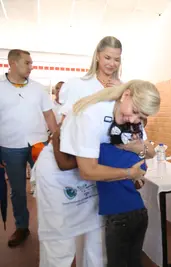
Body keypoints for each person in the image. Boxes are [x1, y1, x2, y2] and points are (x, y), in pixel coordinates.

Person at [34, 80, 159, 267]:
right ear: (126, 95)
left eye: (141, 116)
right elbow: (87, 171)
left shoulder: (132, 117)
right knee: (61, 243)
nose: (134, 120)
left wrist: (135, 148)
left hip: (96, 174)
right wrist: (128, 173)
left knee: (96, 240)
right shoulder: (92, 114)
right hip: (61, 174)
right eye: (134, 112)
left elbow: (149, 151)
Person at [0, 49, 57, 247]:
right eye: (27, 63)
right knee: (17, 190)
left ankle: (50, 227)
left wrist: (57, 139)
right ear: (13, 63)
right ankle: (22, 227)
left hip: (38, 144)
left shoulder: (38, 89)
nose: (31, 67)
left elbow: (49, 115)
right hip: (9, 146)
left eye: (31, 63)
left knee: (46, 186)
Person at [97, 120, 149, 267]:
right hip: (139, 211)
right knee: (134, 260)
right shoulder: (136, 155)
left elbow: (86, 171)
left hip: (118, 216)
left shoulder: (101, 151)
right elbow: (140, 182)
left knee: (116, 263)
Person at [59, 36, 123, 122]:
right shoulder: (77, 85)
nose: (112, 64)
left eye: (116, 59)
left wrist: (123, 93)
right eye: (107, 58)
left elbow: (139, 122)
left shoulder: (124, 89)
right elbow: (66, 122)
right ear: (97, 56)